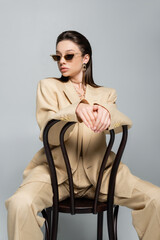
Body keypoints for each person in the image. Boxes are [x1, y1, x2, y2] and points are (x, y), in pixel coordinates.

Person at [5, 30, 160, 240]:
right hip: (55, 174)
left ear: (85, 58)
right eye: (57, 56)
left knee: (155, 198)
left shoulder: (106, 94)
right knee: (19, 203)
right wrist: (74, 111)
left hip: (102, 174)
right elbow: (48, 132)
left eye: (68, 55)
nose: (62, 61)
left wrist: (108, 113)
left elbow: (118, 124)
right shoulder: (49, 86)